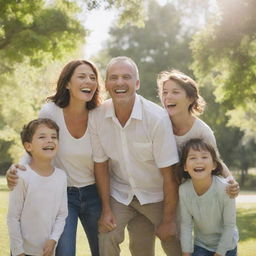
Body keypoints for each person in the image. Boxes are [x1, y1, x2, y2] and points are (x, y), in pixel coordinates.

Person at [127, 69, 240, 255]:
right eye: (164, 92)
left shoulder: (202, 131)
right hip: (157, 190)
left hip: (185, 193)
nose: (168, 96)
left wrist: (231, 181)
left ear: (190, 98)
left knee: (178, 239)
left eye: (175, 92)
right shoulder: (158, 123)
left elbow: (216, 162)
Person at [6, 60, 102, 256]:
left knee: (104, 250)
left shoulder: (98, 115)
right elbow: (38, 143)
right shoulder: (51, 111)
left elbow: (105, 160)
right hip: (64, 194)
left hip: (94, 193)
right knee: (64, 251)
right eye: (82, 76)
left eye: (93, 78)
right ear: (67, 83)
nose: (89, 81)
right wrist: (18, 169)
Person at [89, 56, 182, 256]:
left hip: (156, 195)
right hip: (120, 194)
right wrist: (106, 209)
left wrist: (168, 220)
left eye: (126, 77)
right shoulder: (97, 116)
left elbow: (169, 175)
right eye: (113, 77)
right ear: (106, 84)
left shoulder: (157, 118)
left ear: (137, 83)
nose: (119, 82)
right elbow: (101, 165)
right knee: (107, 236)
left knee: (173, 243)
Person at [7, 118, 68, 256]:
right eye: (42, 137)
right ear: (28, 146)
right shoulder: (22, 176)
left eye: (54, 137)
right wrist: (18, 251)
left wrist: (53, 240)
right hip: (22, 251)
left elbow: (62, 214)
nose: (50, 140)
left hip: (47, 251)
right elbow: (13, 217)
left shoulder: (61, 176)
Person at [178, 138, 238, 256]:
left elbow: (229, 226)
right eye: (192, 157)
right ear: (185, 166)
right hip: (202, 245)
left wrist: (219, 253)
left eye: (204, 157)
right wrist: (186, 253)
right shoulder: (184, 190)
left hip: (227, 246)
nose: (198, 161)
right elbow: (186, 224)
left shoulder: (225, 189)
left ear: (214, 165)